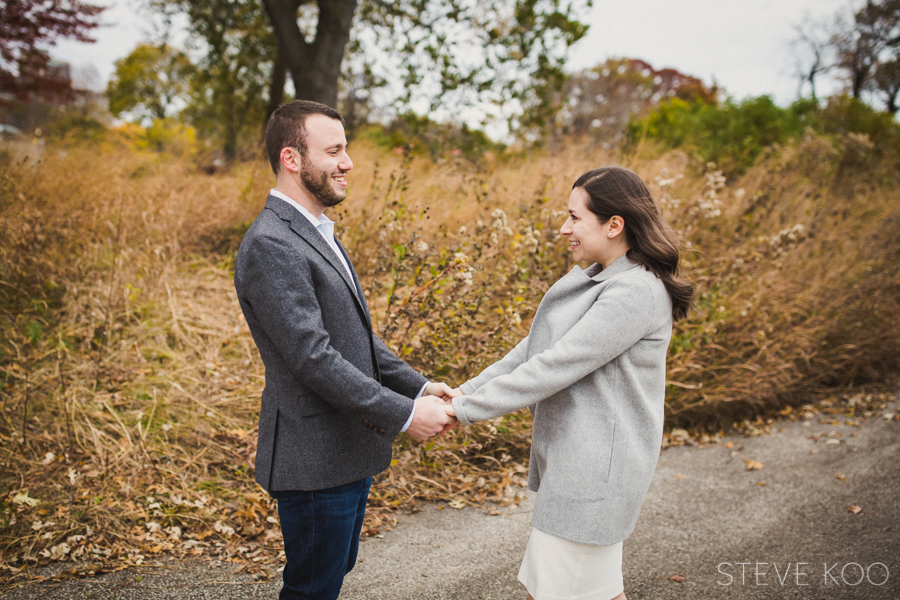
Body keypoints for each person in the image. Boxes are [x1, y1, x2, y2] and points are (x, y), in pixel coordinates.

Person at [233, 100, 457, 600]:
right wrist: (405, 414)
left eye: (345, 149)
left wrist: (417, 384)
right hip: (313, 459)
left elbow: (355, 334)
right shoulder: (272, 244)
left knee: (330, 577)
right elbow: (314, 358)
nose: (347, 162)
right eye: (333, 150)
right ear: (292, 158)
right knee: (312, 590)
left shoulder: (314, 231)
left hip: (344, 451)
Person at [444, 166, 694, 600]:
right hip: (581, 469)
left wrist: (460, 412)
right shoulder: (602, 278)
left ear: (614, 225)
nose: (564, 229)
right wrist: (464, 392)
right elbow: (530, 352)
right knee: (589, 592)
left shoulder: (635, 292)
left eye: (575, 217)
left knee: (558, 592)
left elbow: (555, 366)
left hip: (595, 477)